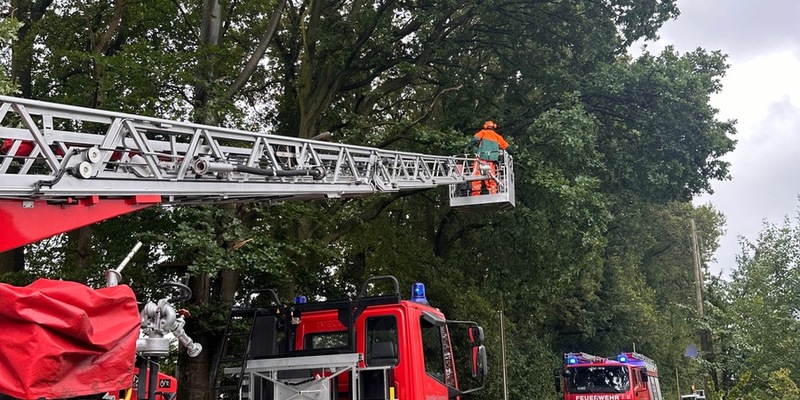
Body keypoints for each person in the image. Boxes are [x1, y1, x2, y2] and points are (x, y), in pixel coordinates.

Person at [466, 120, 512, 196]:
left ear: (485, 126)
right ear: (494, 127)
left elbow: (475, 139)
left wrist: (468, 147)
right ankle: (493, 194)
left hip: (480, 159)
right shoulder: (498, 137)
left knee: (476, 177)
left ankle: (475, 195)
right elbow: (507, 148)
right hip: (491, 161)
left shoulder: (483, 132)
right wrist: (512, 153)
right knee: (491, 178)